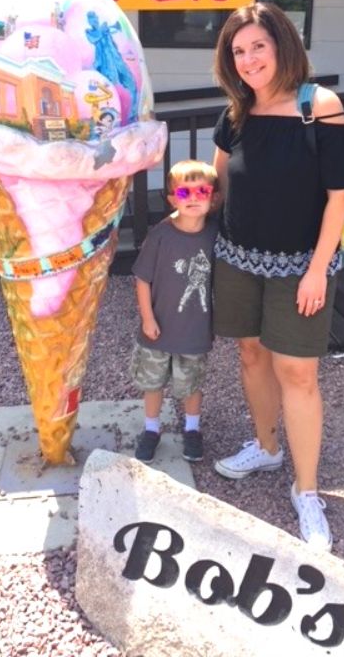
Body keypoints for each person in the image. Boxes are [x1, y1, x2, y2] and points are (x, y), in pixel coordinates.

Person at [211, 2, 344, 551]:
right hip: (238, 259)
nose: (248, 59)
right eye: (238, 50)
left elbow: (340, 195)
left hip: (302, 267)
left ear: (283, 46)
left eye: (258, 47)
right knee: (251, 355)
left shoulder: (318, 106)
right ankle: (267, 445)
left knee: (297, 373)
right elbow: (220, 183)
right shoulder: (236, 112)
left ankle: (307, 490)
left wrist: (318, 269)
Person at [130, 159, 219, 465]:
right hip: (158, 328)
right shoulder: (160, 235)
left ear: (213, 196)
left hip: (194, 330)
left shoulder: (214, 236)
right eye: (184, 192)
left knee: (191, 383)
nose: (193, 198)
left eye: (201, 190)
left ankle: (192, 428)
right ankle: (151, 429)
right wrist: (147, 318)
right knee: (153, 382)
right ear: (172, 199)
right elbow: (143, 278)